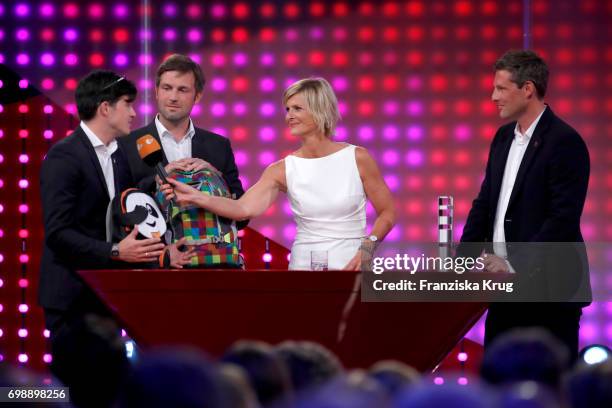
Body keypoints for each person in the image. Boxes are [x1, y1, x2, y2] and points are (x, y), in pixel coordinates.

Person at [39, 70, 193, 407]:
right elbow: (58, 233)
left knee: (107, 392)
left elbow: (125, 223)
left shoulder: (120, 155)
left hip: (108, 295)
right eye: (128, 104)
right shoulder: (65, 156)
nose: (135, 113)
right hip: (72, 296)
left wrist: (161, 251)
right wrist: (113, 251)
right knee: (69, 394)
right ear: (105, 108)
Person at [161, 78, 396, 270]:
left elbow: (388, 212)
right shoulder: (282, 169)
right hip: (305, 267)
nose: (288, 116)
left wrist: (368, 247)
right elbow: (243, 209)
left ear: (319, 110)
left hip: (352, 264)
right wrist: (195, 196)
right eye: (287, 109)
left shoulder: (357, 158)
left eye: (297, 108)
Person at [460, 50, 590, 360]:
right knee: (499, 381)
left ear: (527, 89)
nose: (493, 97)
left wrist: (512, 263)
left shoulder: (564, 142)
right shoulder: (503, 137)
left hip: (548, 293)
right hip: (504, 294)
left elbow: (562, 220)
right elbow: (485, 203)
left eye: (501, 88)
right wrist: (461, 263)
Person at [120, 53, 247, 229]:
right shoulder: (127, 144)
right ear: (156, 92)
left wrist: (215, 177)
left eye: (182, 90)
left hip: (206, 252)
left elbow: (242, 216)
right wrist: (156, 181)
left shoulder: (219, 146)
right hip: (153, 252)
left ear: (197, 96)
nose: (173, 97)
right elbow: (119, 210)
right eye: (167, 88)